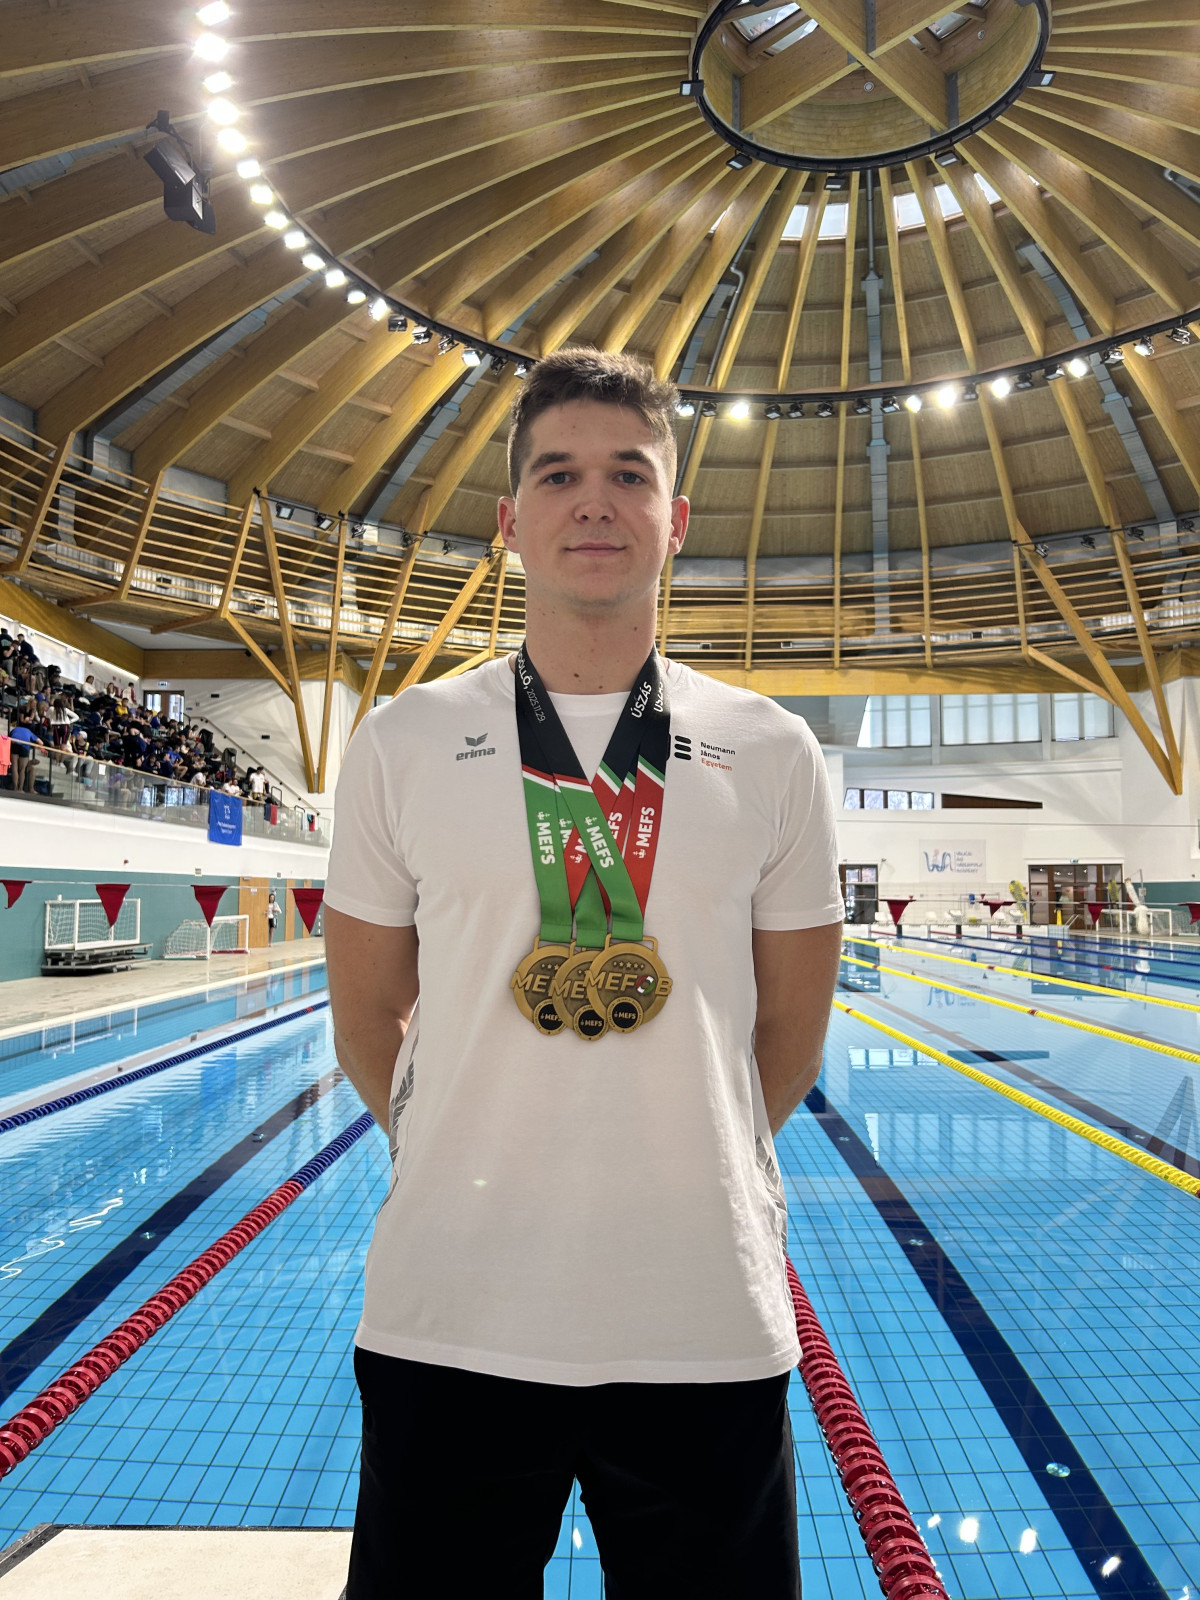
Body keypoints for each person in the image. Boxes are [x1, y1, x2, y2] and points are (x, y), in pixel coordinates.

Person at [323, 347, 844, 1599]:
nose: (594, 501)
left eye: (629, 475)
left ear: (676, 516)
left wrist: (680, 1151)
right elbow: (366, 1014)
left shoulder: (772, 749)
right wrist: (463, 1138)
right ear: (511, 520)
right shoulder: (404, 740)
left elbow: (790, 1032)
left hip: (703, 1322)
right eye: (558, 474)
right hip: (450, 1313)